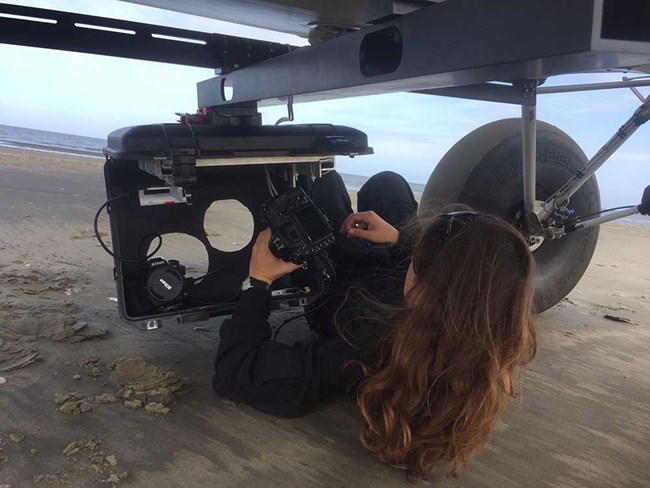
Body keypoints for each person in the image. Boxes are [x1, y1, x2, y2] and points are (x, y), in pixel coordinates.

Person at [213, 170, 537, 479]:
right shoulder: (483, 337)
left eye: (418, 260)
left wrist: (258, 282)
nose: (414, 257)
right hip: (390, 278)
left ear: (427, 288)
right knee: (388, 183)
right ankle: (402, 238)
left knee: (326, 185)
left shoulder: (363, 345)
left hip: (347, 288)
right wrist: (399, 241)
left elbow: (235, 372)